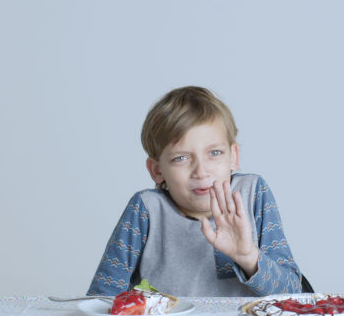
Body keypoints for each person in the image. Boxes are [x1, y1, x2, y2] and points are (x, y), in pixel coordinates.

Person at [86, 86, 303, 296]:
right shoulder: (146, 210)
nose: (201, 171)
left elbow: (293, 293)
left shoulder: (253, 194)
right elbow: (101, 297)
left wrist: (248, 256)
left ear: (233, 157)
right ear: (157, 170)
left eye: (215, 153)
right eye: (181, 158)